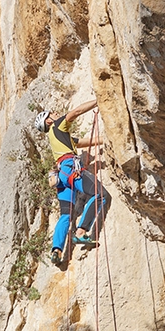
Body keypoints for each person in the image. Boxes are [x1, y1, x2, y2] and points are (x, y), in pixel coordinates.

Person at [34, 101, 111, 266]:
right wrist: (97, 101)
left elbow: (81, 142)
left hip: (61, 177)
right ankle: (82, 231)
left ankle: (57, 250)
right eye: (51, 113)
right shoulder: (58, 127)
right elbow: (75, 112)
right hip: (70, 169)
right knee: (101, 194)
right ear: (48, 121)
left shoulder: (58, 138)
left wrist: (106, 139)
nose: (54, 113)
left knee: (66, 215)